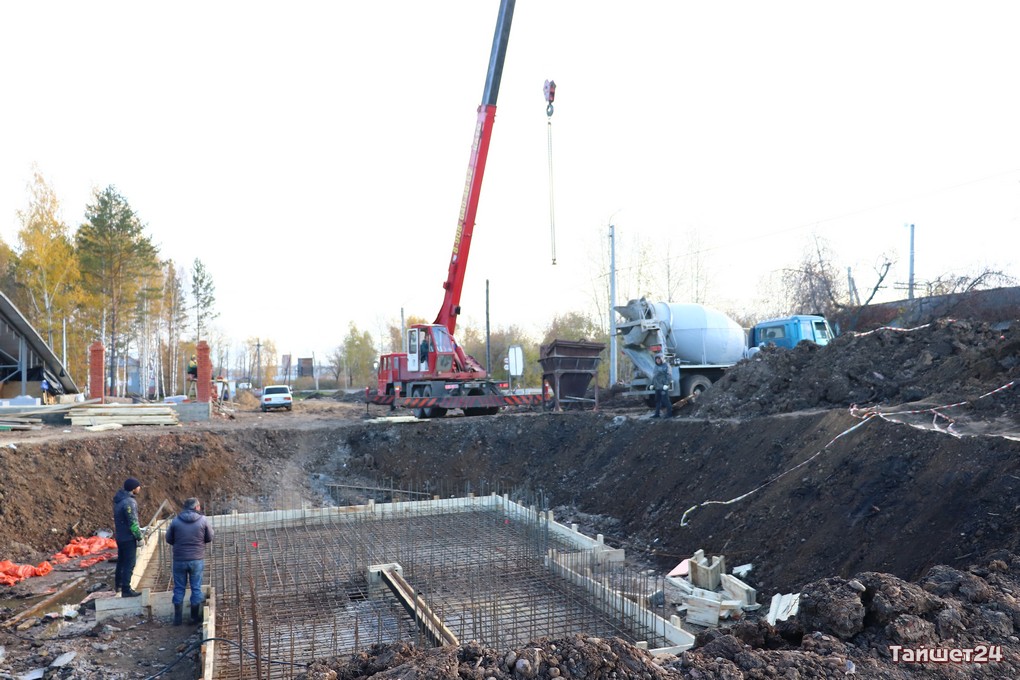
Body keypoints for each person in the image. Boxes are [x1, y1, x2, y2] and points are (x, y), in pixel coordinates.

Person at [165, 497, 214, 625]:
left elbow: (169, 539)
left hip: (179, 559)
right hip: (196, 559)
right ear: (196, 507)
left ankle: (177, 619)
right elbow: (209, 537)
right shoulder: (203, 520)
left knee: (179, 588)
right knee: (196, 588)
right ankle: (193, 617)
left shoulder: (176, 521)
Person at [112, 477, 144, 597]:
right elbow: (133, 522)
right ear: (133, 488)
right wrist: (139, 537)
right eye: (138, 486)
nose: (139, 488)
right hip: (128, 538)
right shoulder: (129, 502)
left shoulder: (119, 500)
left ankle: (119, 586)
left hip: (120, 536)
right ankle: (126, 589)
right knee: (129, 563)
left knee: (121, 561)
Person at [650, 354, 673, 418]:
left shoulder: (666, 365)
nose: (658, 360)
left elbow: (669, 375)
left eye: (659, 359)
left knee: (665, 400)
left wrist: (666, 384)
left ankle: (670, 414)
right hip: (657, 386)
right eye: (656, 359)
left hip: (663, 386)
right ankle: (657, 414)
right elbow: (654, 376)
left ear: (662, 359)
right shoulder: (655, 367)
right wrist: (652, 384)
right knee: (657, 400)